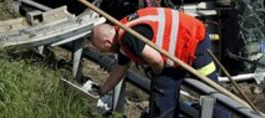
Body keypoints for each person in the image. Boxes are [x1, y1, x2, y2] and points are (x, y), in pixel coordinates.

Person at [91, 7, 229, 117]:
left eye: (101, 49)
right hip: (177, 50)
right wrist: (101, 91)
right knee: (163, 99)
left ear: (107, 42)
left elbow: (156, 60)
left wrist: (155, 72)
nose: (104, 52)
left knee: (211, 91)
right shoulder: (122, 29)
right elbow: (120, 68)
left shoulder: (127, 36)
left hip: (194, 40)